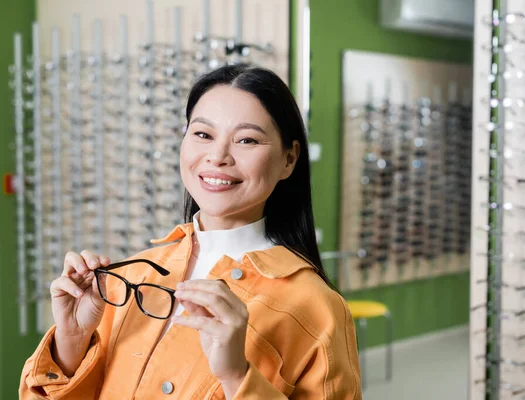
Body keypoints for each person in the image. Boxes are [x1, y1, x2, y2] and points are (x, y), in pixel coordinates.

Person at [19, 64, 362, 399]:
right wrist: (71, 343)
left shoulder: (318, 309)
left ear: (289, 159)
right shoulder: (130, 276)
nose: (218, 156)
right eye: (203, 134)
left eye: (246, 140)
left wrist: (237, 376)